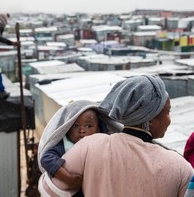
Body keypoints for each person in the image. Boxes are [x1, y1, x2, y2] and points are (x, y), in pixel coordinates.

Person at [38, 75, 194, 197]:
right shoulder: (180, 167)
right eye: (167, 112)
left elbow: (49, 190)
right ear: (150, 118)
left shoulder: (89, 146)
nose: (169, 119)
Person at [37, 100, 123, 196]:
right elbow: (46, 159)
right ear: (67, 128)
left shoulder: (104, 144)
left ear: (98, 130)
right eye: (76, 126)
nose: (82, 130)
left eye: (88, 126)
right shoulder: (63, 145)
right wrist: (67, 177)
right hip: (72, 190)